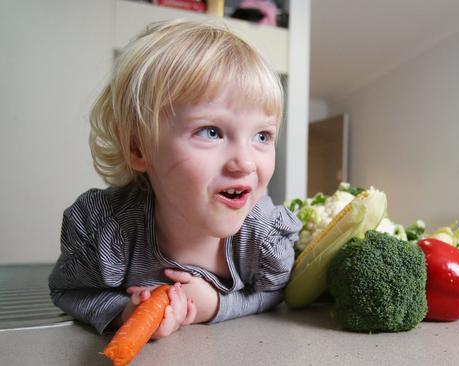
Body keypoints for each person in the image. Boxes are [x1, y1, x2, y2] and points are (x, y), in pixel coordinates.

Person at [48, 19, 301, 339]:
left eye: (262, 136)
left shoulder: (261, 236)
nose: (245, 162)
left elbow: (276, 292)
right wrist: (123, 312)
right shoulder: (108, 233)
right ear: (138, 147)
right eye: (212, 132)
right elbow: (68, 292)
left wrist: (215, 305)